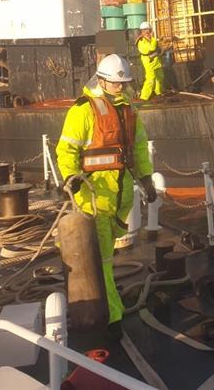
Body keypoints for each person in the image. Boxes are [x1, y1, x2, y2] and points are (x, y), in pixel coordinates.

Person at [55, 54, 157, 335]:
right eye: (115, 83)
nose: (120, 87)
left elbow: (139, 147)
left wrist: (146, 179)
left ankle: (109, 303)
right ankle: (112, 317)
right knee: (102, 260)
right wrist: (70, 177)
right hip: (95, 197)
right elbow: (67, 149)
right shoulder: (82, 110)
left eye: (124, 83)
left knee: (107, 255)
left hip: (120, 197)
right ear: (101, 81)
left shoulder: (128, 109)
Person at [136, 21, 164, 101]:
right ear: (142, 31)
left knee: (159, 77)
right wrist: (154, 39)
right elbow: (151, 48)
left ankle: (159, 92)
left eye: (148, 30)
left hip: (156, 61)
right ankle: (144, 97)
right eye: (145, 30)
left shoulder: (150, 39)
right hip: (149, 62)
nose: (147, 32)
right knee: (150, 79)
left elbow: (156, 49)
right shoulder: (141, 41)